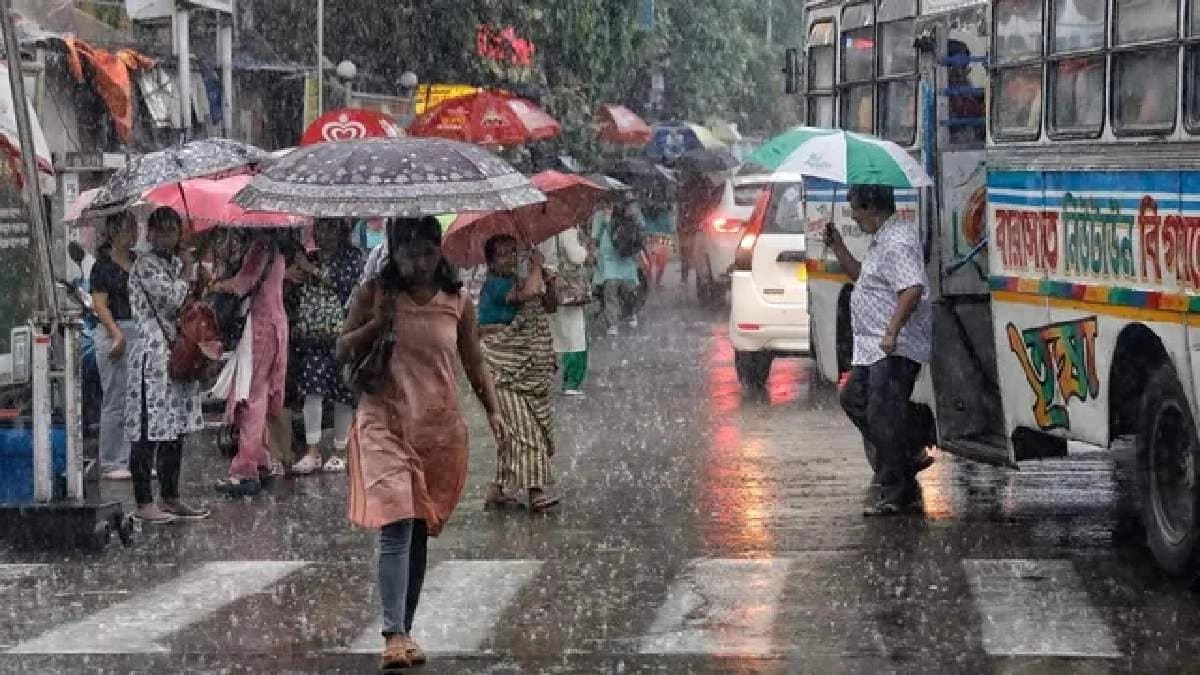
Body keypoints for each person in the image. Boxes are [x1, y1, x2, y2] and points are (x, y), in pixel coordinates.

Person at [337, 217, 504, 671]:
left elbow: (473, 360)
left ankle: (404, 626)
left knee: (417, 532)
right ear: (394, 252)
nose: (419, 263)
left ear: (439, 250)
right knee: (396, 522)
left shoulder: (457, 301)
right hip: (383, 422)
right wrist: (378, 324)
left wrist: (493, 412)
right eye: (409, 254)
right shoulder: (373, 293)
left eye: (427, 253)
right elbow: (343, 350)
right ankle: (394, 632)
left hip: (435, 429)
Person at [824, 185, 933, 517]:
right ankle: (907, 448)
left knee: (882, 415)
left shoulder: (897, 242)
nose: (853, 217)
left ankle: (897, 490)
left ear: (871, 206)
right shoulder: (883, 239)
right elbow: (864, 278)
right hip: (872, 347)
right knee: (855, 399)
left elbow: (912, 288)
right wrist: (838, 247)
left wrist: (892, 330)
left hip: (894, 345)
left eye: (855, 209)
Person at [124, 208, 209, 523]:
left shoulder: (173, 264)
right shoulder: (145, 266)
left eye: (173, 230)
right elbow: (173, 299)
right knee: (148, 429)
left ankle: (170, 495)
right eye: (161, 230)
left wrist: (196, 280)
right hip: (153, 357)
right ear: (151, 233)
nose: (167, 237)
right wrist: (186, 273)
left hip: (178, 355)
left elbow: (187, 305)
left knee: (175, 429)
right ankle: (144, 501)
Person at [479, 234, 560, 512]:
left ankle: (498, 489)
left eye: (513, 252)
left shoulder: (520, 280)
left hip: (526, 365)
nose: (510, 259)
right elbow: (527, 295)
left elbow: (549, 305)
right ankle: (536, 492)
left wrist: (548, 280)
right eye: (502, 254)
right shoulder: (494, 284)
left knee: (512, 430)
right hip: (502, 364)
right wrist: (537, 267)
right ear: (490, 262)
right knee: (526, 430)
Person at [209, 231, 289, 496]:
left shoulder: (260, 246)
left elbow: (242, 284)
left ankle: (245, 469)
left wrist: (214, 285)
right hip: (274, 326)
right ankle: (261, 458)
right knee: (261, 394)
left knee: (250, 398)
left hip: (260, 328)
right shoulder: (275, 248)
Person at [287, 218, 363, 475]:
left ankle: (340, 450)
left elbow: (346, 284)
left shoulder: (352, 257)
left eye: (330, 227)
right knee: (312, 388)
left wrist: (312, 269)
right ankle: (312, 451)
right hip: (312, 337)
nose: (323, 233)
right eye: (319, 228)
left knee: (342, 392)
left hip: (342, 334)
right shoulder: (312, 257)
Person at [92, 213, 138, 480]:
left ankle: (133, 457)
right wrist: (117, 334)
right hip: (114, 330)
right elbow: (100, 304)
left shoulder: (137, 261)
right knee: (115, 398)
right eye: (125, 228)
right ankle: (112, 461)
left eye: (133, 227)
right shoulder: (103, 266)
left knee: (135, 399)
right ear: (112, 231)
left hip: (137, 329)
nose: (131, 234)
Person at [537, 226, 590, 396]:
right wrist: (584, 250)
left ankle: (543, 379)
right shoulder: (567, 230)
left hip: (550, 289)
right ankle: (572, 382)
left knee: (553, 335)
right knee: (576, 337)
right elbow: (576, 256)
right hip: (568, 290)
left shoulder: (542, 232)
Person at [592, 194, 642, 336]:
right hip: (614, 261)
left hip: (620, 260)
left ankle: (628, 314)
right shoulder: (603, 215)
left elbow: (594, 238)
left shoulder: (628, 213)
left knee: (621, 290)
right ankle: (614, 323)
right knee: (614, 290)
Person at [642, 187, 677, 288]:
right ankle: (655, 282)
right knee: (660, 261)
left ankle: (650, 282)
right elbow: (671, 222)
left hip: (651, 233)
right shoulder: (666, 204)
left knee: (649, 261)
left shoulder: (646, 200)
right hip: (662, 234)